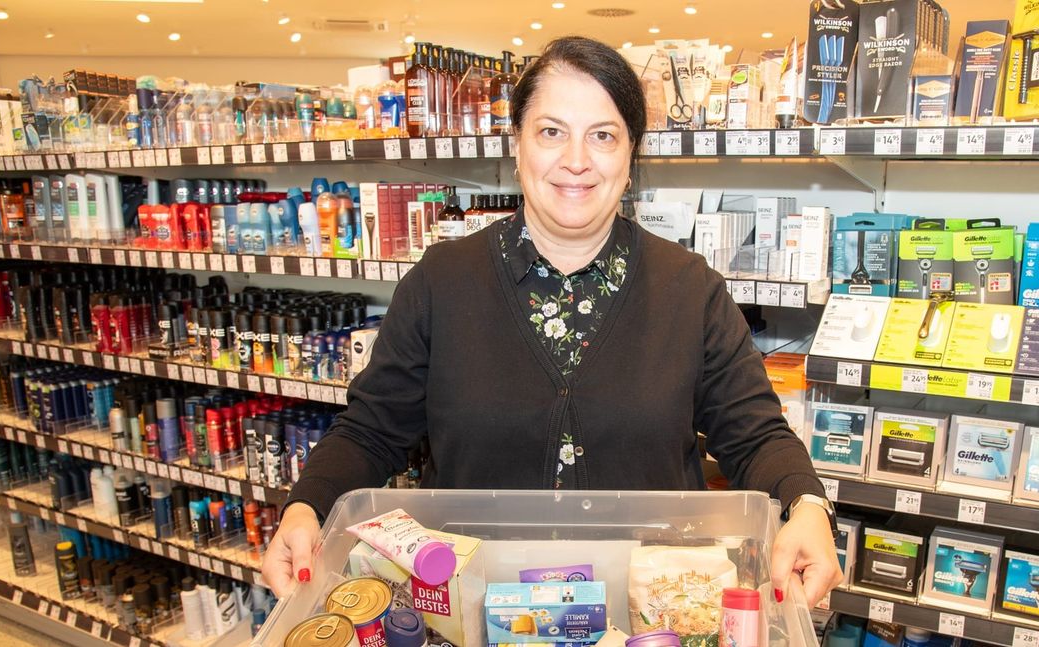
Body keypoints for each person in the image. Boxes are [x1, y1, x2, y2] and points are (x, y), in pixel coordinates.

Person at [264, 36, 842, 609]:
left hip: (647, 611)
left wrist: (808, 508)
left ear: (632, 154)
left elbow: (755, 432)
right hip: (479, 609)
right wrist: (305, 506)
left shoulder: (690, 290)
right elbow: (370, 429)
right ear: (517, 144)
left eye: (604, 136)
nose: (576, 160)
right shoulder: (443, 282)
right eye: (551, 131)